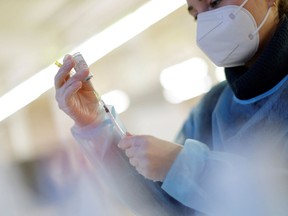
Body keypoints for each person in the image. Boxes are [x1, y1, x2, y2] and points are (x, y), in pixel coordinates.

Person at [54, 0, 288, 215]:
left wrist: (185, 167)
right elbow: (168, 206)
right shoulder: (211, 110)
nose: (206, 24)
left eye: (214, 2)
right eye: (196, 15)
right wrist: (95, 123)